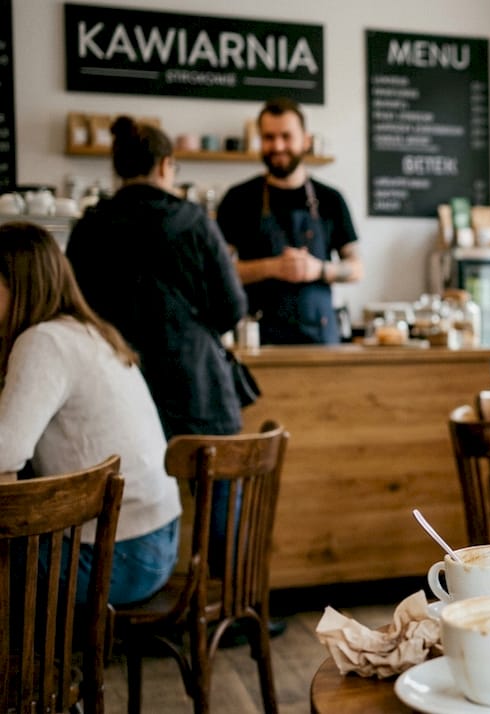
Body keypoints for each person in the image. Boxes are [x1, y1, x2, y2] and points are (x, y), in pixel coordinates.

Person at [0, 222, 181, 605]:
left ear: (17, 284)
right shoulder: (85, 331)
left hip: (116, 557)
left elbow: (5, 452)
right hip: (155, 542)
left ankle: (35, 647)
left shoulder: (43, 341)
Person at [67, 115, 247, 440]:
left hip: (115, 383)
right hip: (194, 390)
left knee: (127, 470)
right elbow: (232, 308)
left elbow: (73, 308)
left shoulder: (89, 226)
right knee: (203, 470)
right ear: (165, 166)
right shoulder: (194, 222)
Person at [216, 97, 362, 344]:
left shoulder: (331, 199)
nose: (278, 146)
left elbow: (357, 268)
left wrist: (319, 269)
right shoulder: (238, 198)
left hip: (320, 341)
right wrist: (271, 267)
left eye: (286, 136)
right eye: (269, 137)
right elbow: (217, 271)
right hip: (256, 340)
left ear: (305, 140)